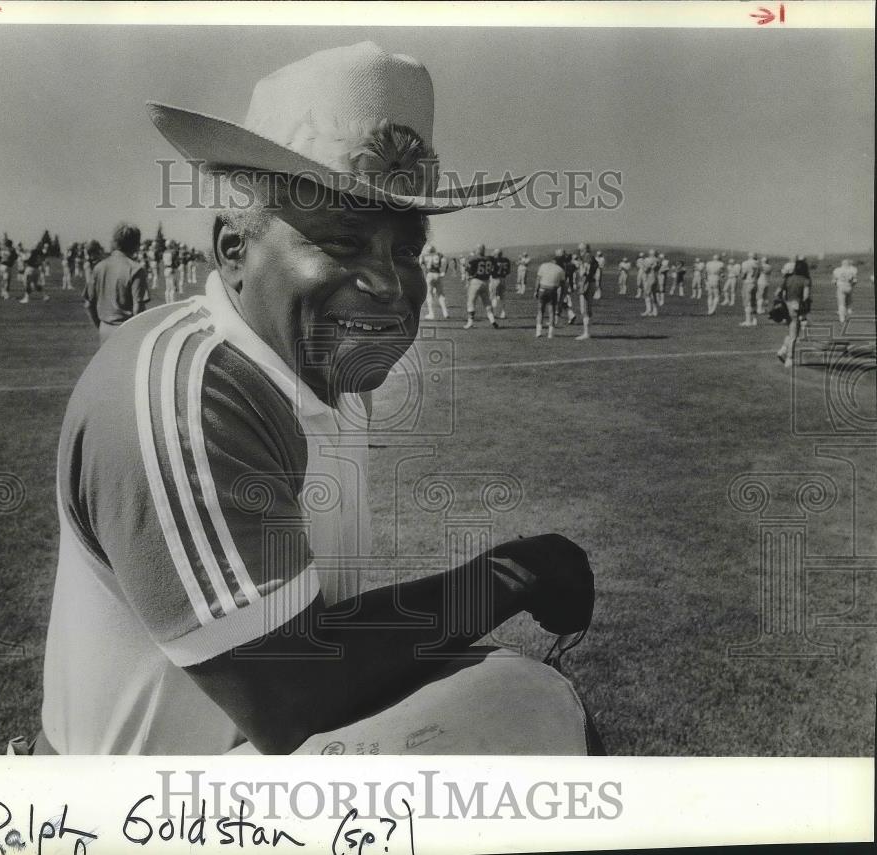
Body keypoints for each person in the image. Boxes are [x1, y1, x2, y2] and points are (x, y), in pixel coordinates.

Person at [35, 42, 598, 757]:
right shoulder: (185, 386)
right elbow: (282, 685)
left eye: (406, 250)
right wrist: (509, 576)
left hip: (231, 780)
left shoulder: (308, 369)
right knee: (525, 706)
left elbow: (308, 634)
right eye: (342, 241)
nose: (392, 284)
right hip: (122, 813)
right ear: (233, 249)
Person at [82, 223, 150, 343]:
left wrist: (101, 326)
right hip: (127, 331)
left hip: (105, 328)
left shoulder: (99, 267)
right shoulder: (135, 269)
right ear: (136, 244)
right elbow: (138, 309)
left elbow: (88, 304)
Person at [776, 256, 812, 368]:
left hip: (786, 306)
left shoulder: (788, 279)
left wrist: (783, 302)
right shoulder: (806, 280)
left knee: (791, 333)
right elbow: (806, 297)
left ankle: (782, 350)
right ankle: (789, 358)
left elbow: (777, 292)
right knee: (794, 336)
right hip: (797, 307)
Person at [464, 244, 499, 329]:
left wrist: (470, 275)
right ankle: (492, 320)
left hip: (476, 281)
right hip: (486, 282)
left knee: (471, 302)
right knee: (487, 302)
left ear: (477, 250)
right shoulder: (490, 259)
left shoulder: (474, 259)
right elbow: (496, 268)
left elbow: (467, 268)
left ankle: (470, 322)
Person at [534, 252, 565, 339]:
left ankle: (538, 332)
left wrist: (535, 290)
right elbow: (563, 285)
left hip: (542, 289)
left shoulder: (543, 265)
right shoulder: (560, 269)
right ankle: (550, 333)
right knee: (551, 311)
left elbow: (538, 279)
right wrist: (562, 296)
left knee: (540, 311)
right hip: (552, 290)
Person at [574, 242, 598, 340]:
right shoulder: (590, 257)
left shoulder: (587, 257)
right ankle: (587, 332)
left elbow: (585, 272)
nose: (579, 251)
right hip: (590, 282)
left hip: (587, 283)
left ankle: (586, 333)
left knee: (584, 309)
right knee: (587, 309)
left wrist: (582, 284)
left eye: (580, 249)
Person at [420, 243, 449, 319]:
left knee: (429, 295)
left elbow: (419, 264)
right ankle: (445, 313)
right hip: (437, 274)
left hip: (429, 275)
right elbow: (446, 261)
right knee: (441, 294)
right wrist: (444, 272)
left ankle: (431, 314)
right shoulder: (439, 255)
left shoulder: (424, 256)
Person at [488, 247, 511, 320]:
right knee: (503, 297)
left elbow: (490, 270)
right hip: (503, 279)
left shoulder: (493, 260)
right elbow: (508, 271)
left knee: (493, 296)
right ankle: (503, 313)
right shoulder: (506, 260)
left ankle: (494, 313)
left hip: (495, 279)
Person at [739, 251, 760, 327]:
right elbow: (758, 274)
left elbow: (743, 275)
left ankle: (748, 321)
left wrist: (740, 275)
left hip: (747, 283)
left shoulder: (745, 263)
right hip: (755, 283)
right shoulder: (757, 263)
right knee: (753, 301)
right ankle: (755, 319)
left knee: (747, 302)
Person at [640, 249, 659, 317]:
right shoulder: (657, 260)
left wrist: (645, 267)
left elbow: (646, 269)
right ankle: (655, 311)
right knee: (653, 294)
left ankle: (648, 310)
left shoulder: (647, 260)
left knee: (647, 294)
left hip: (649, 278)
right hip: (655, 278)